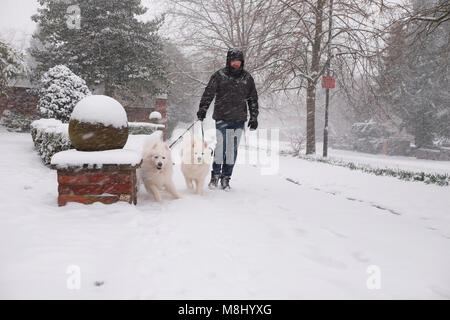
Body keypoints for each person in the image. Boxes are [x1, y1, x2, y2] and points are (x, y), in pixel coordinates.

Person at [197, 47, 259, 190]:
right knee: (221, 148)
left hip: (239, 119)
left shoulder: (247, 78)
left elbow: (253, 99)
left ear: (241, 62)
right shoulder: (219, 76)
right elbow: (208, 93)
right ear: (229, 61)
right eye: (233, 61)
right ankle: (215, 176)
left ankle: (226, 178)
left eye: (238, 61)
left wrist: (254, 117)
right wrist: (202, 109)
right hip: (222, 117)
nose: (236, 64)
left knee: (232, 150)